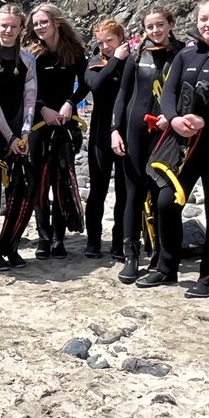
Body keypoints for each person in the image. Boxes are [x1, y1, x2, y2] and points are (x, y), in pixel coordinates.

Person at [138, 0, 209, 296]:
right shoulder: (186, 56)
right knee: (166, 202)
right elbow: (169, 92)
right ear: (197, 21)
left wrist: (208, 119)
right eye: (204, 19)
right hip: (183, 143)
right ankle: (166, 267)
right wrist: (174, 119)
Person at [111, 7, 181, 282]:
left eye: (160, 25)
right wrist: (115, 130)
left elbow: (184, 94)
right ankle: (131, 255)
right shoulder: (137, 54)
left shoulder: (181, 55)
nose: (155, 31)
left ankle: (159, 255)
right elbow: (122, 95)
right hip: (134, 132)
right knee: (133, 193)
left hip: (164, 134)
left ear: (170, 24)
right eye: (150, 27)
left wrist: (173, 118)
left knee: (162, 194)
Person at [23, 2, 90, 259]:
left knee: (61, 180)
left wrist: (70, 103)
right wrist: (42, 110)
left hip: (64, 121)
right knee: (40, 181)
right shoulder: (30, 53)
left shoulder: (72, 51)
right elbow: (25, 88)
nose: (40, 27)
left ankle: (59, 239)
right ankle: (43, 236)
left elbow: (85, 84)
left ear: (56, 22)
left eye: (44, 22)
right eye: (36, 23)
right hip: (39, 121)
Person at [0, 4, 35, 269]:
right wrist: (10, 137)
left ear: (21, 28)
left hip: (19, 130)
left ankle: (10, 245)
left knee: (19, 193)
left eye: (13, 26)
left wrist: (24, 132)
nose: (8, 30)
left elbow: (30, 99)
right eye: (4, 25)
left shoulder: (28, 59)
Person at [83, 18, 128, 259]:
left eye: (110, 40)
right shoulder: (94, 61)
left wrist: (123, 60)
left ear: (121, 38)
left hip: (124, 131)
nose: (106, 46)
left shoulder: (132, 61)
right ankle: (93, 240)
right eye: (101, 42)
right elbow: (96, 86)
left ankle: (119, 241)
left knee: (124, 190)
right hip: (100, 132)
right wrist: (116, 60)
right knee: (98, 188)